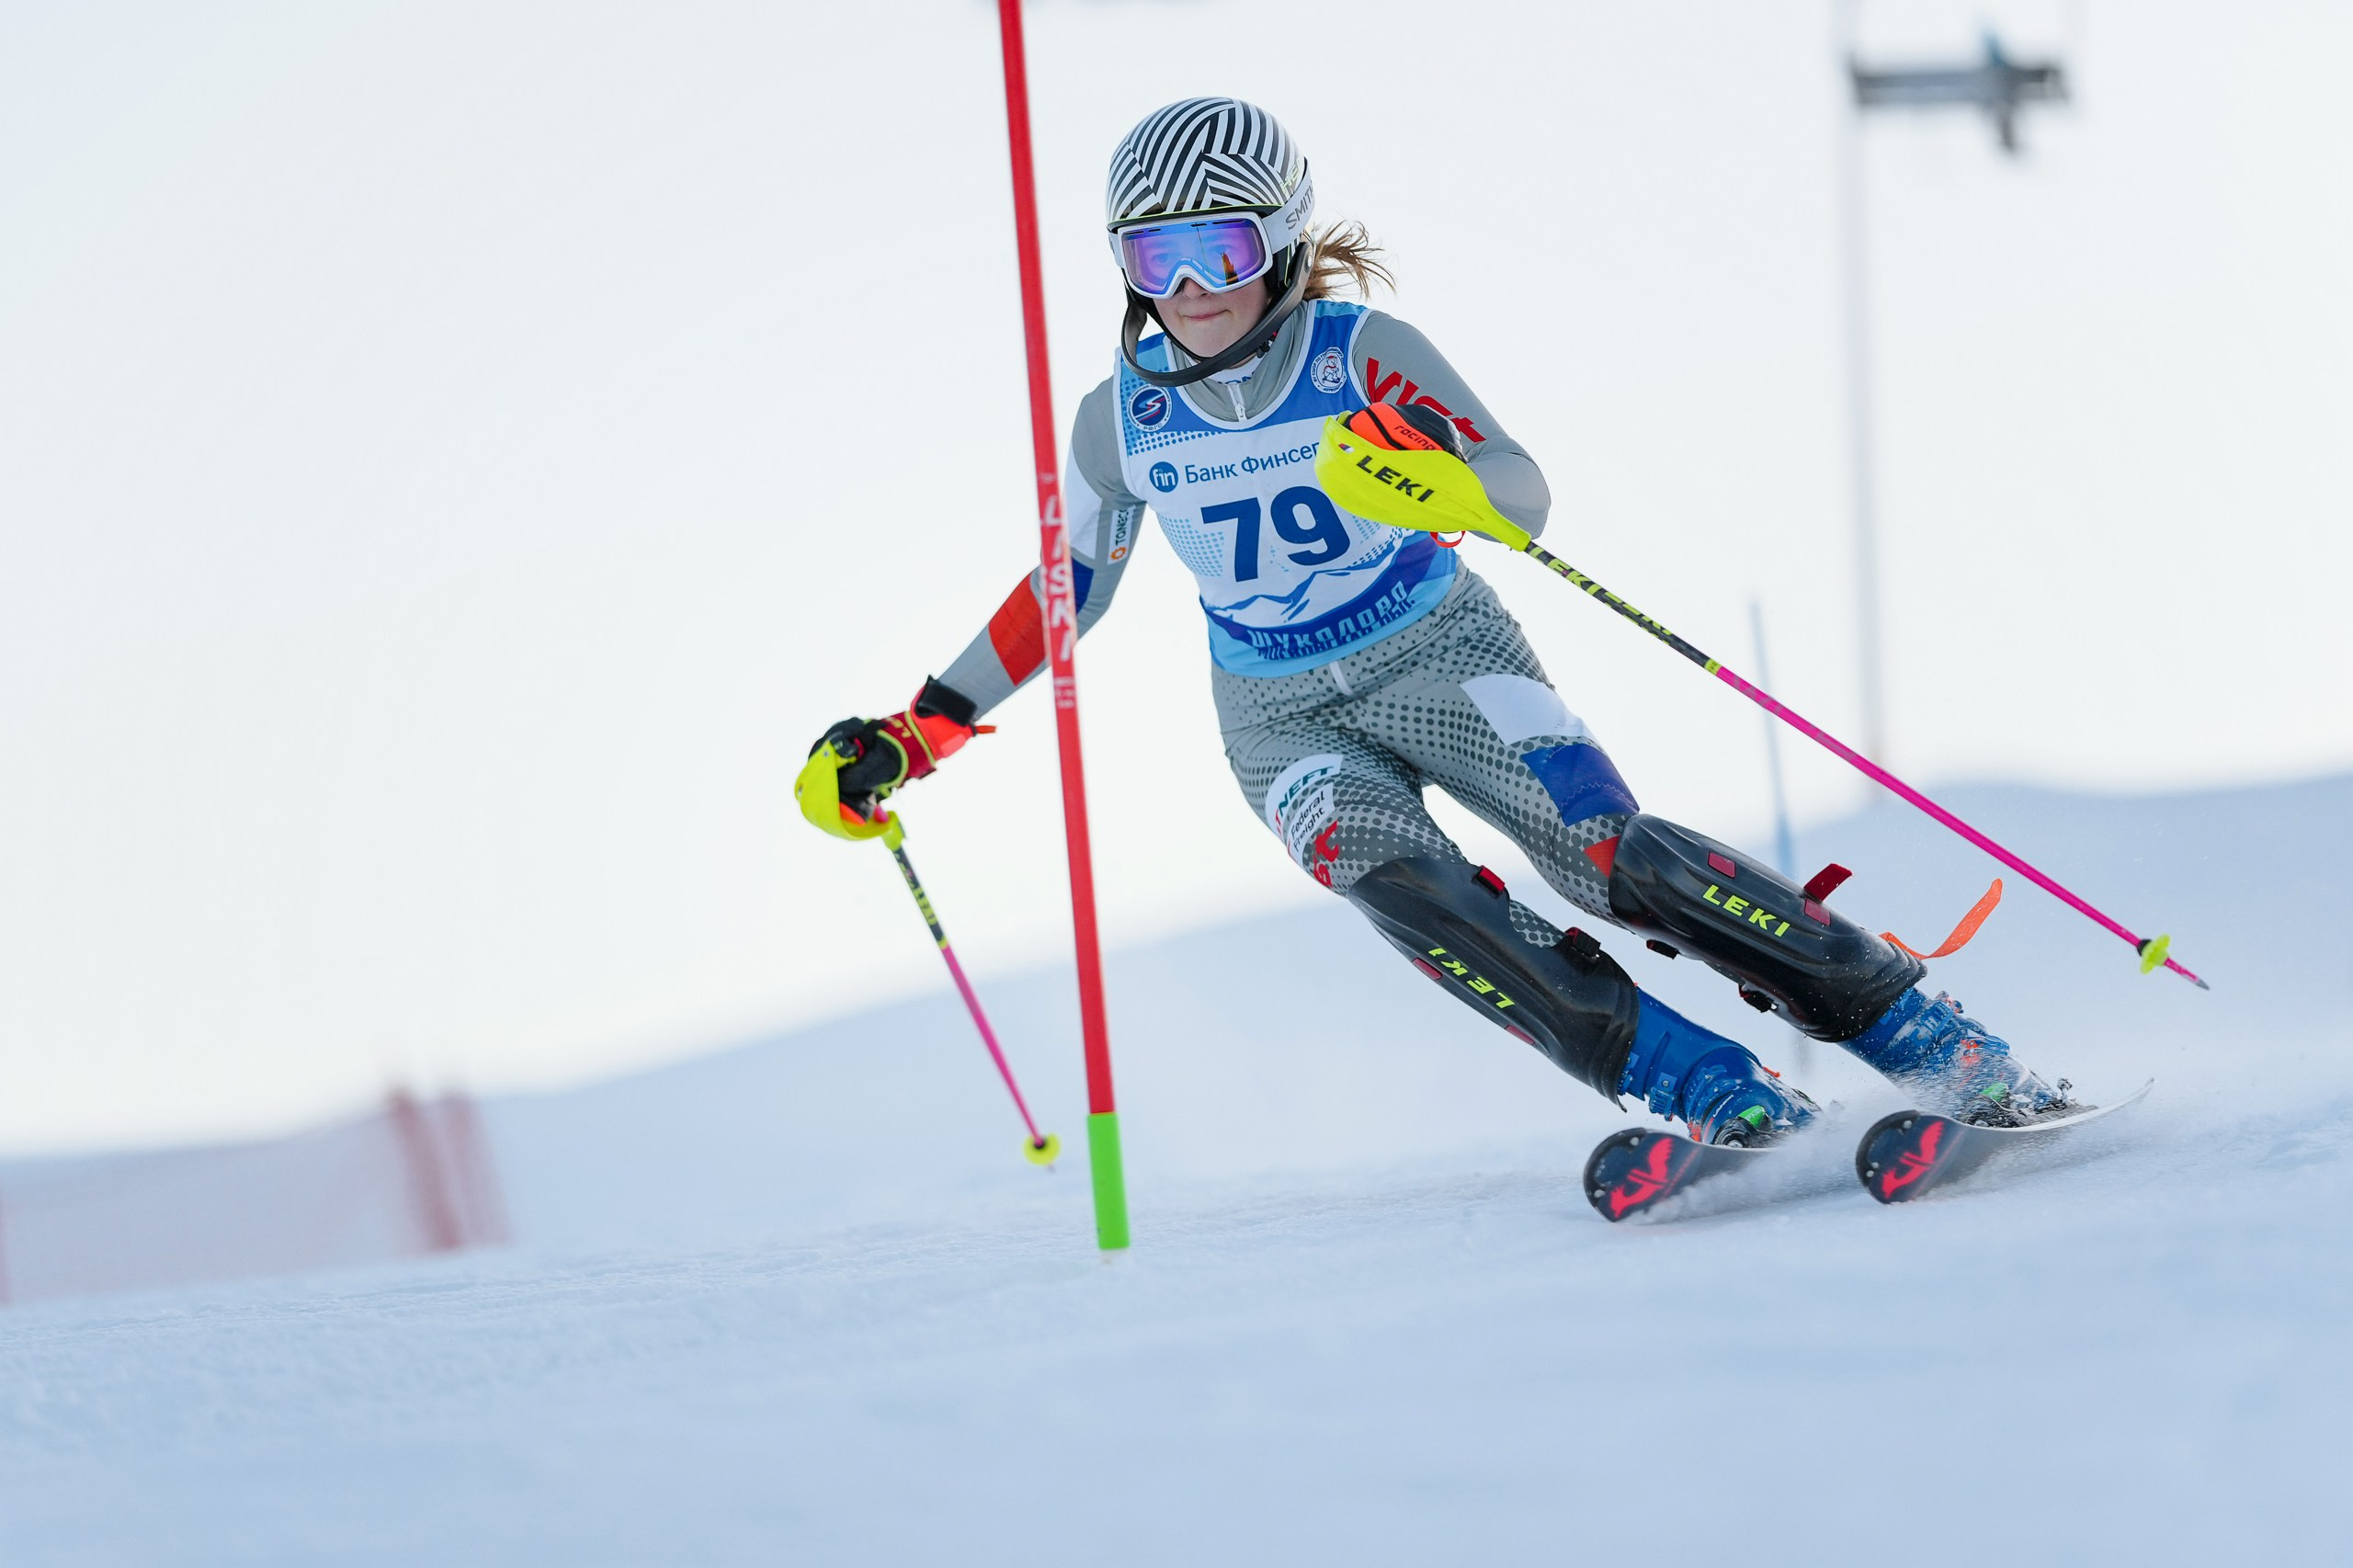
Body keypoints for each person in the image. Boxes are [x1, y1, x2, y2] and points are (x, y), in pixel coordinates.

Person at [800, 97, 2072, 1144]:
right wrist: (923, 729)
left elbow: (1521, 491)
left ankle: (1926, 1036)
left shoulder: (1361, 351)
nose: (1191, 289)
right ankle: (1705, 1087)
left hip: (1445, 652)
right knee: (1412, 892)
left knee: (1614, 861)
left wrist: (1439, 480)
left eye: (1223, 253)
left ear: (1285, 245)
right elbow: (1071, 584)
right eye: (1154, 259)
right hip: (1276, 712)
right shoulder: (1118, 418)